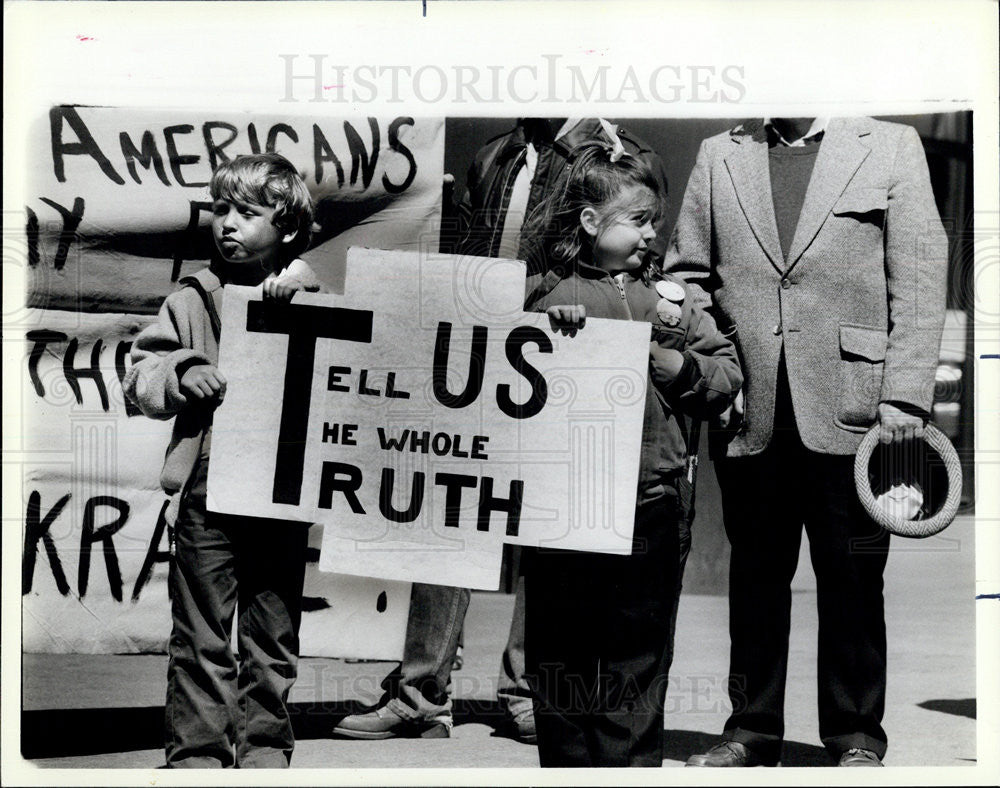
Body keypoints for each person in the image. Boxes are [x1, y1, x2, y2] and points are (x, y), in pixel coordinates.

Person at [332, 118, 670, 744]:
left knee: (548, 531)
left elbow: (640, 258)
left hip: (562, 360)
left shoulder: (619, 154)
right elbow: (462, 248)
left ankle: (526, 695)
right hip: (481, 352)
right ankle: (419, 693)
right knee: (452, 511)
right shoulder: (495, 154)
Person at [663, 117, 947, 767]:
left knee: (853, 579)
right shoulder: (720, 154)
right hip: (748, 406)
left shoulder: (891, 146)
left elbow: (921, 277)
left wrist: (904, 393)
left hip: (861, 410)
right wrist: (714, 370)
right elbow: (688, 279)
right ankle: (751, 729)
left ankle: (855, 737)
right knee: (756, 576)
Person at [521, 141, 743, 766]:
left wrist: (680, 367)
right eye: (638, 219)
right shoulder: (544, 292)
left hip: (652, 502)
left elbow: (726, 371)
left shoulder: (673, 300)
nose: (653, 233)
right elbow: (494, 364)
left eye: (655, 220)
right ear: (591, 223)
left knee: (638, 656)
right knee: (561, 655)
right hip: (563, 511)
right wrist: (541, 322)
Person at [124, 153, 325, 768]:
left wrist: (305, 289)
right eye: (220, 209)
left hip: (279, 492)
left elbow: (349, 365)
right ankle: (198, 755)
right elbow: (141, 373)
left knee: (272, 632)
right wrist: (185, 369)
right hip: (207, 494)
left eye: (248, 212)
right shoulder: (191, 299)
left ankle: (265, 746)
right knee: (201, 634)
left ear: (287, 229)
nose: (228, 223)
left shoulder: (306, 291)